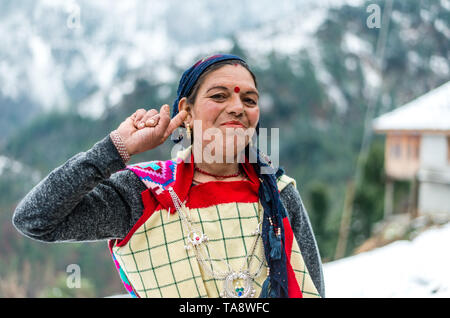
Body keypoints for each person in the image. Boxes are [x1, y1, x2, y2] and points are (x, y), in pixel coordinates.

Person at [12, 54, 325, 298]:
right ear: (185, 112)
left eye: (249, 100)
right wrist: (116, 148)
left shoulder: (278, 194)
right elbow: (34, 219)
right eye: (219, 96)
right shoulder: (144, 194)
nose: (237, 108)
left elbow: (309, 286)